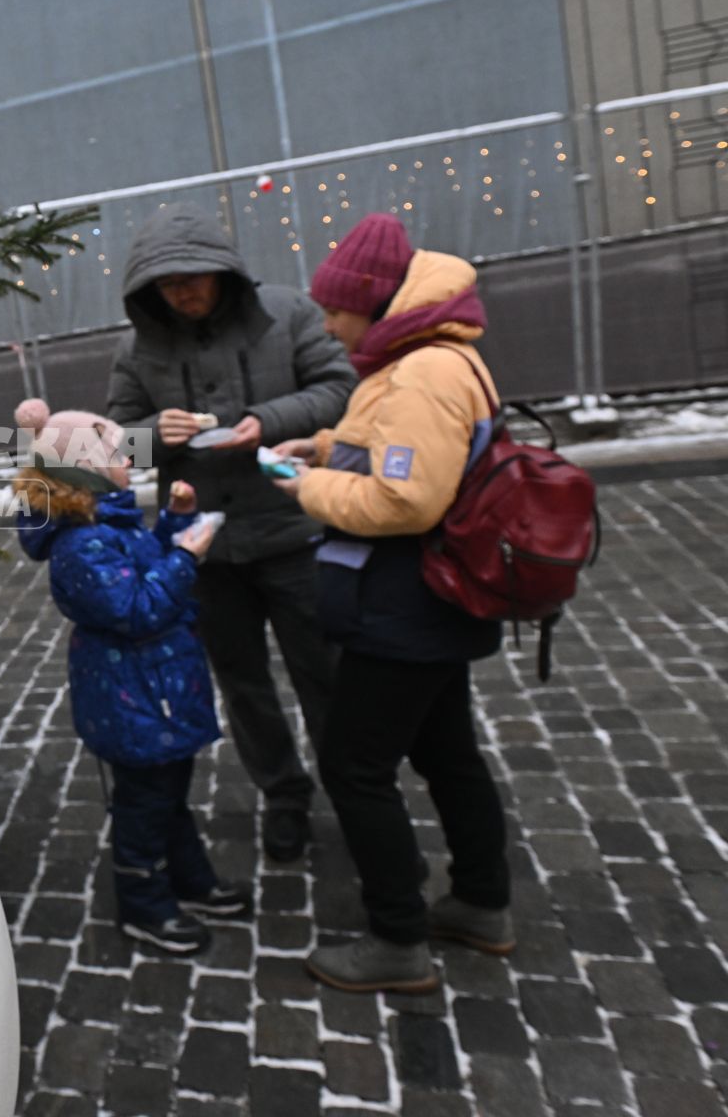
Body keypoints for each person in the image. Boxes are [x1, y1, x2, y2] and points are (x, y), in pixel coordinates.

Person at [268, 213, 512, 995]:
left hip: (404, 606)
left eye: (336, 311)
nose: (330, 325)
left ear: (374, 304)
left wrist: (303, 485)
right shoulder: (427, 356)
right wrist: (327, 443)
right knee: (447, 754)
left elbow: (406, 500)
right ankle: (480, 902)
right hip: (433, 603)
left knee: (354, 767)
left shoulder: (421, 373)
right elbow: (394, 443)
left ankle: (398, 940)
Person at [107, 203, 355, 862]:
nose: (182, 292)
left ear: (224, 273)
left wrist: (265, 420)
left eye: (193, 277)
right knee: (244, 684)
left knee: (325, 674)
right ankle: (284, 794)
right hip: (206, 550)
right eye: (167, 284)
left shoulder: (289, 313)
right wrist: (153, 436)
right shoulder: (137, 348)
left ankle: (357, 793)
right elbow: (117, 446)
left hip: (295, 532)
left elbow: (339, 388)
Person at [12, 397, 251, 956]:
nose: (129, 459)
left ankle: (192, 881)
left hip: (156, 689)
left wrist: (174, 521)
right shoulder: (80, 544)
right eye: (117, 453)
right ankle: (143, 905)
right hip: (136, 697)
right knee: (144, 807)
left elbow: (144, 568)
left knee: (166, 796)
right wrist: (187, 557)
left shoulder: (108, 517)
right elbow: (138, 606)